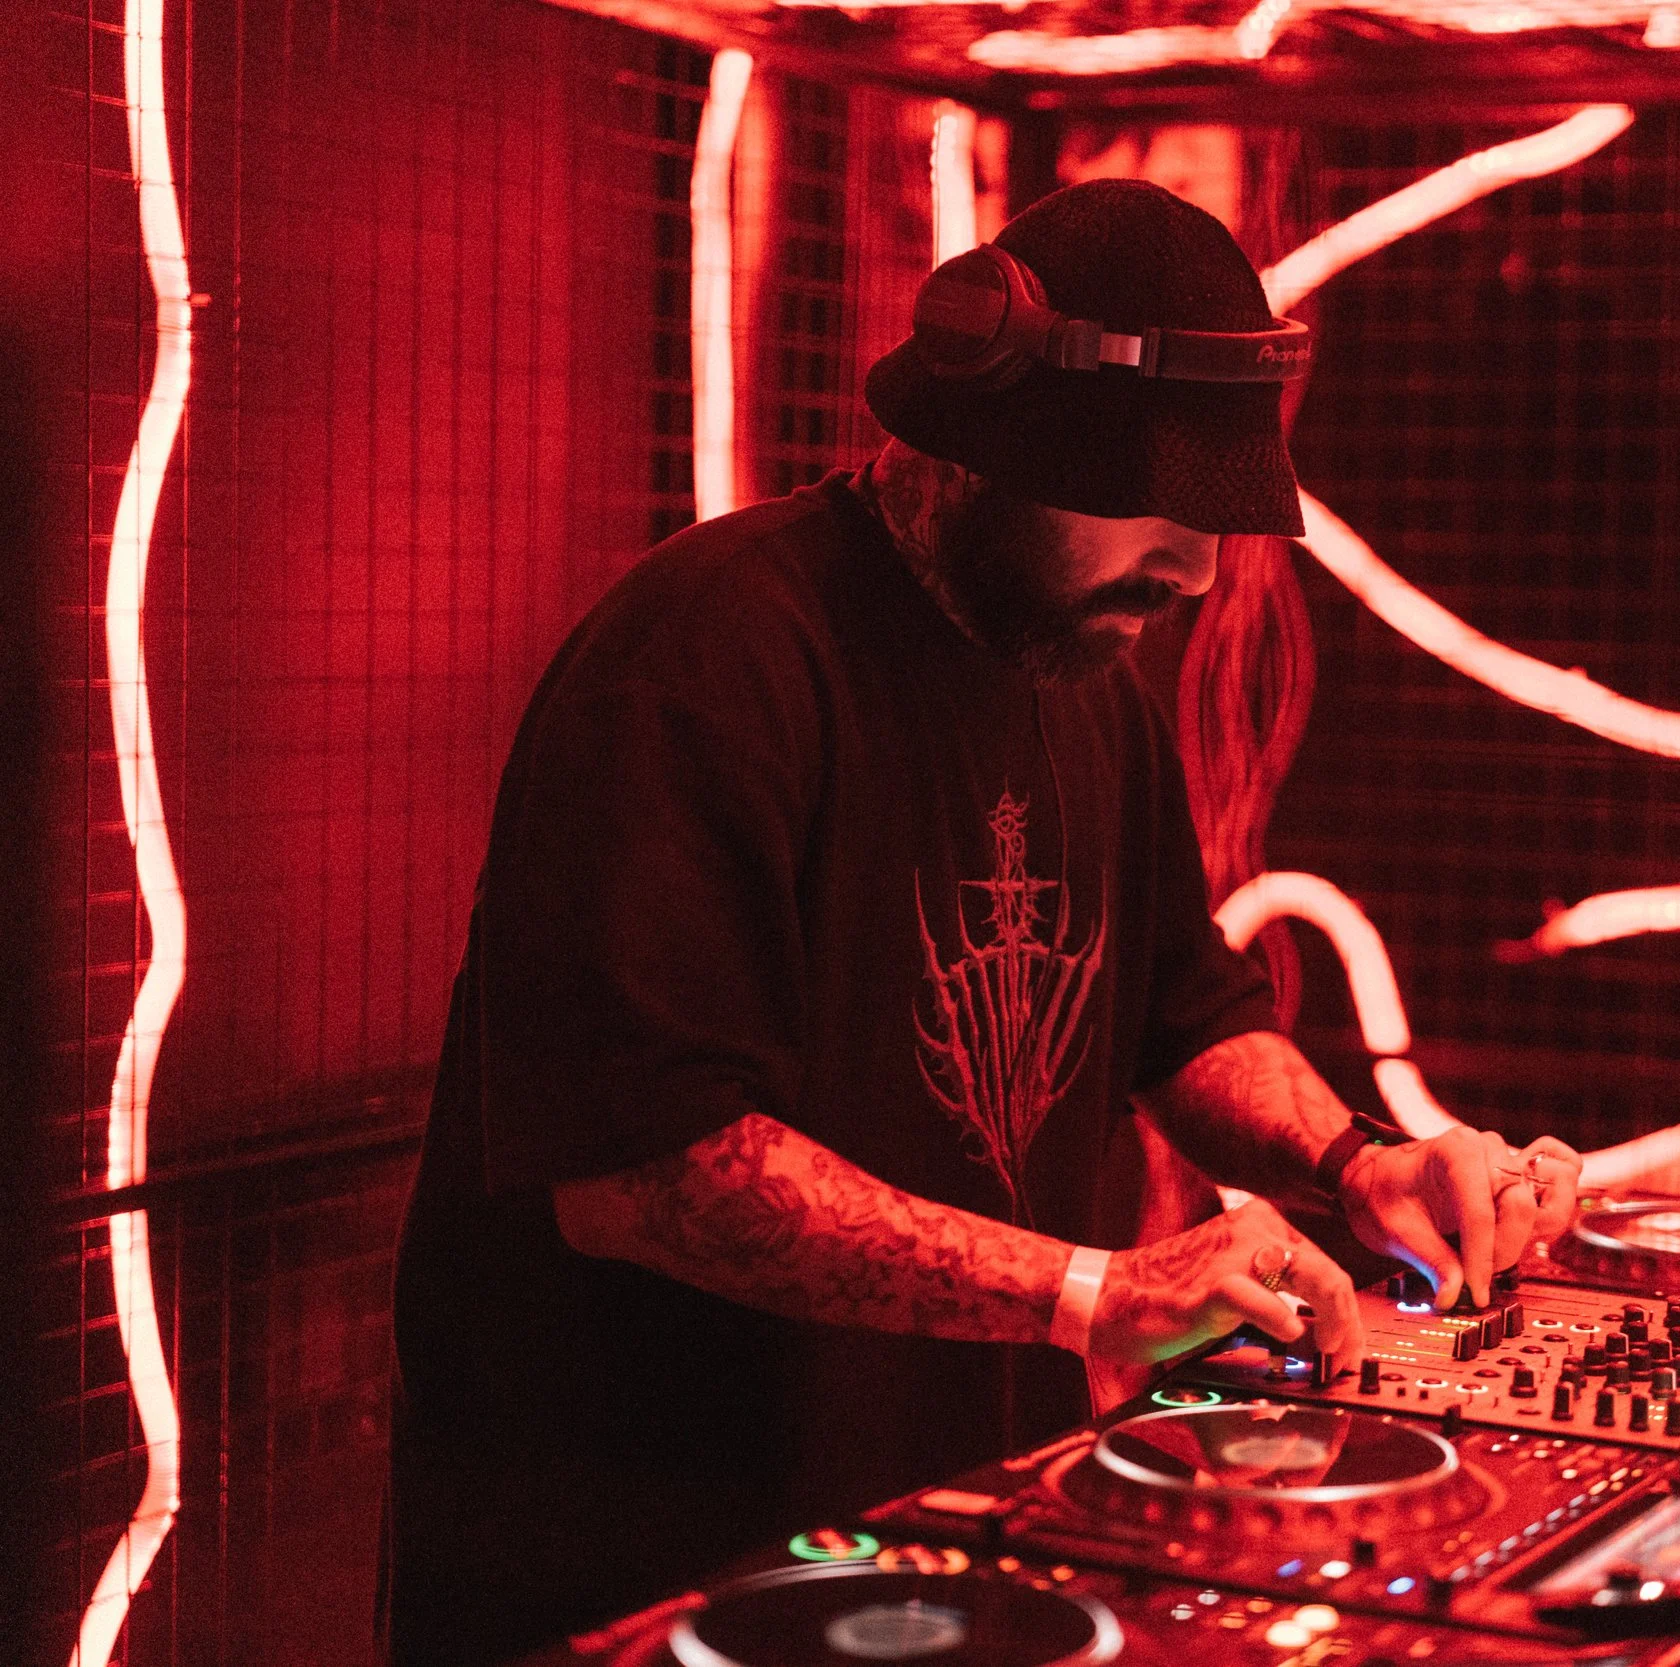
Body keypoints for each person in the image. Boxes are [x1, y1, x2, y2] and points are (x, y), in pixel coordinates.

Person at [381, 179, 1583, 1666]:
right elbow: (650, 1173)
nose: (1198, 571)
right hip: (654, 1584)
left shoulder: (1094, 692)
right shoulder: (708, 652)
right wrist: (1092, 1287)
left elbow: (1187, 1020)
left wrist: (1360, 1161)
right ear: (994, 437)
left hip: (950, 1559)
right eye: (1153, 501)